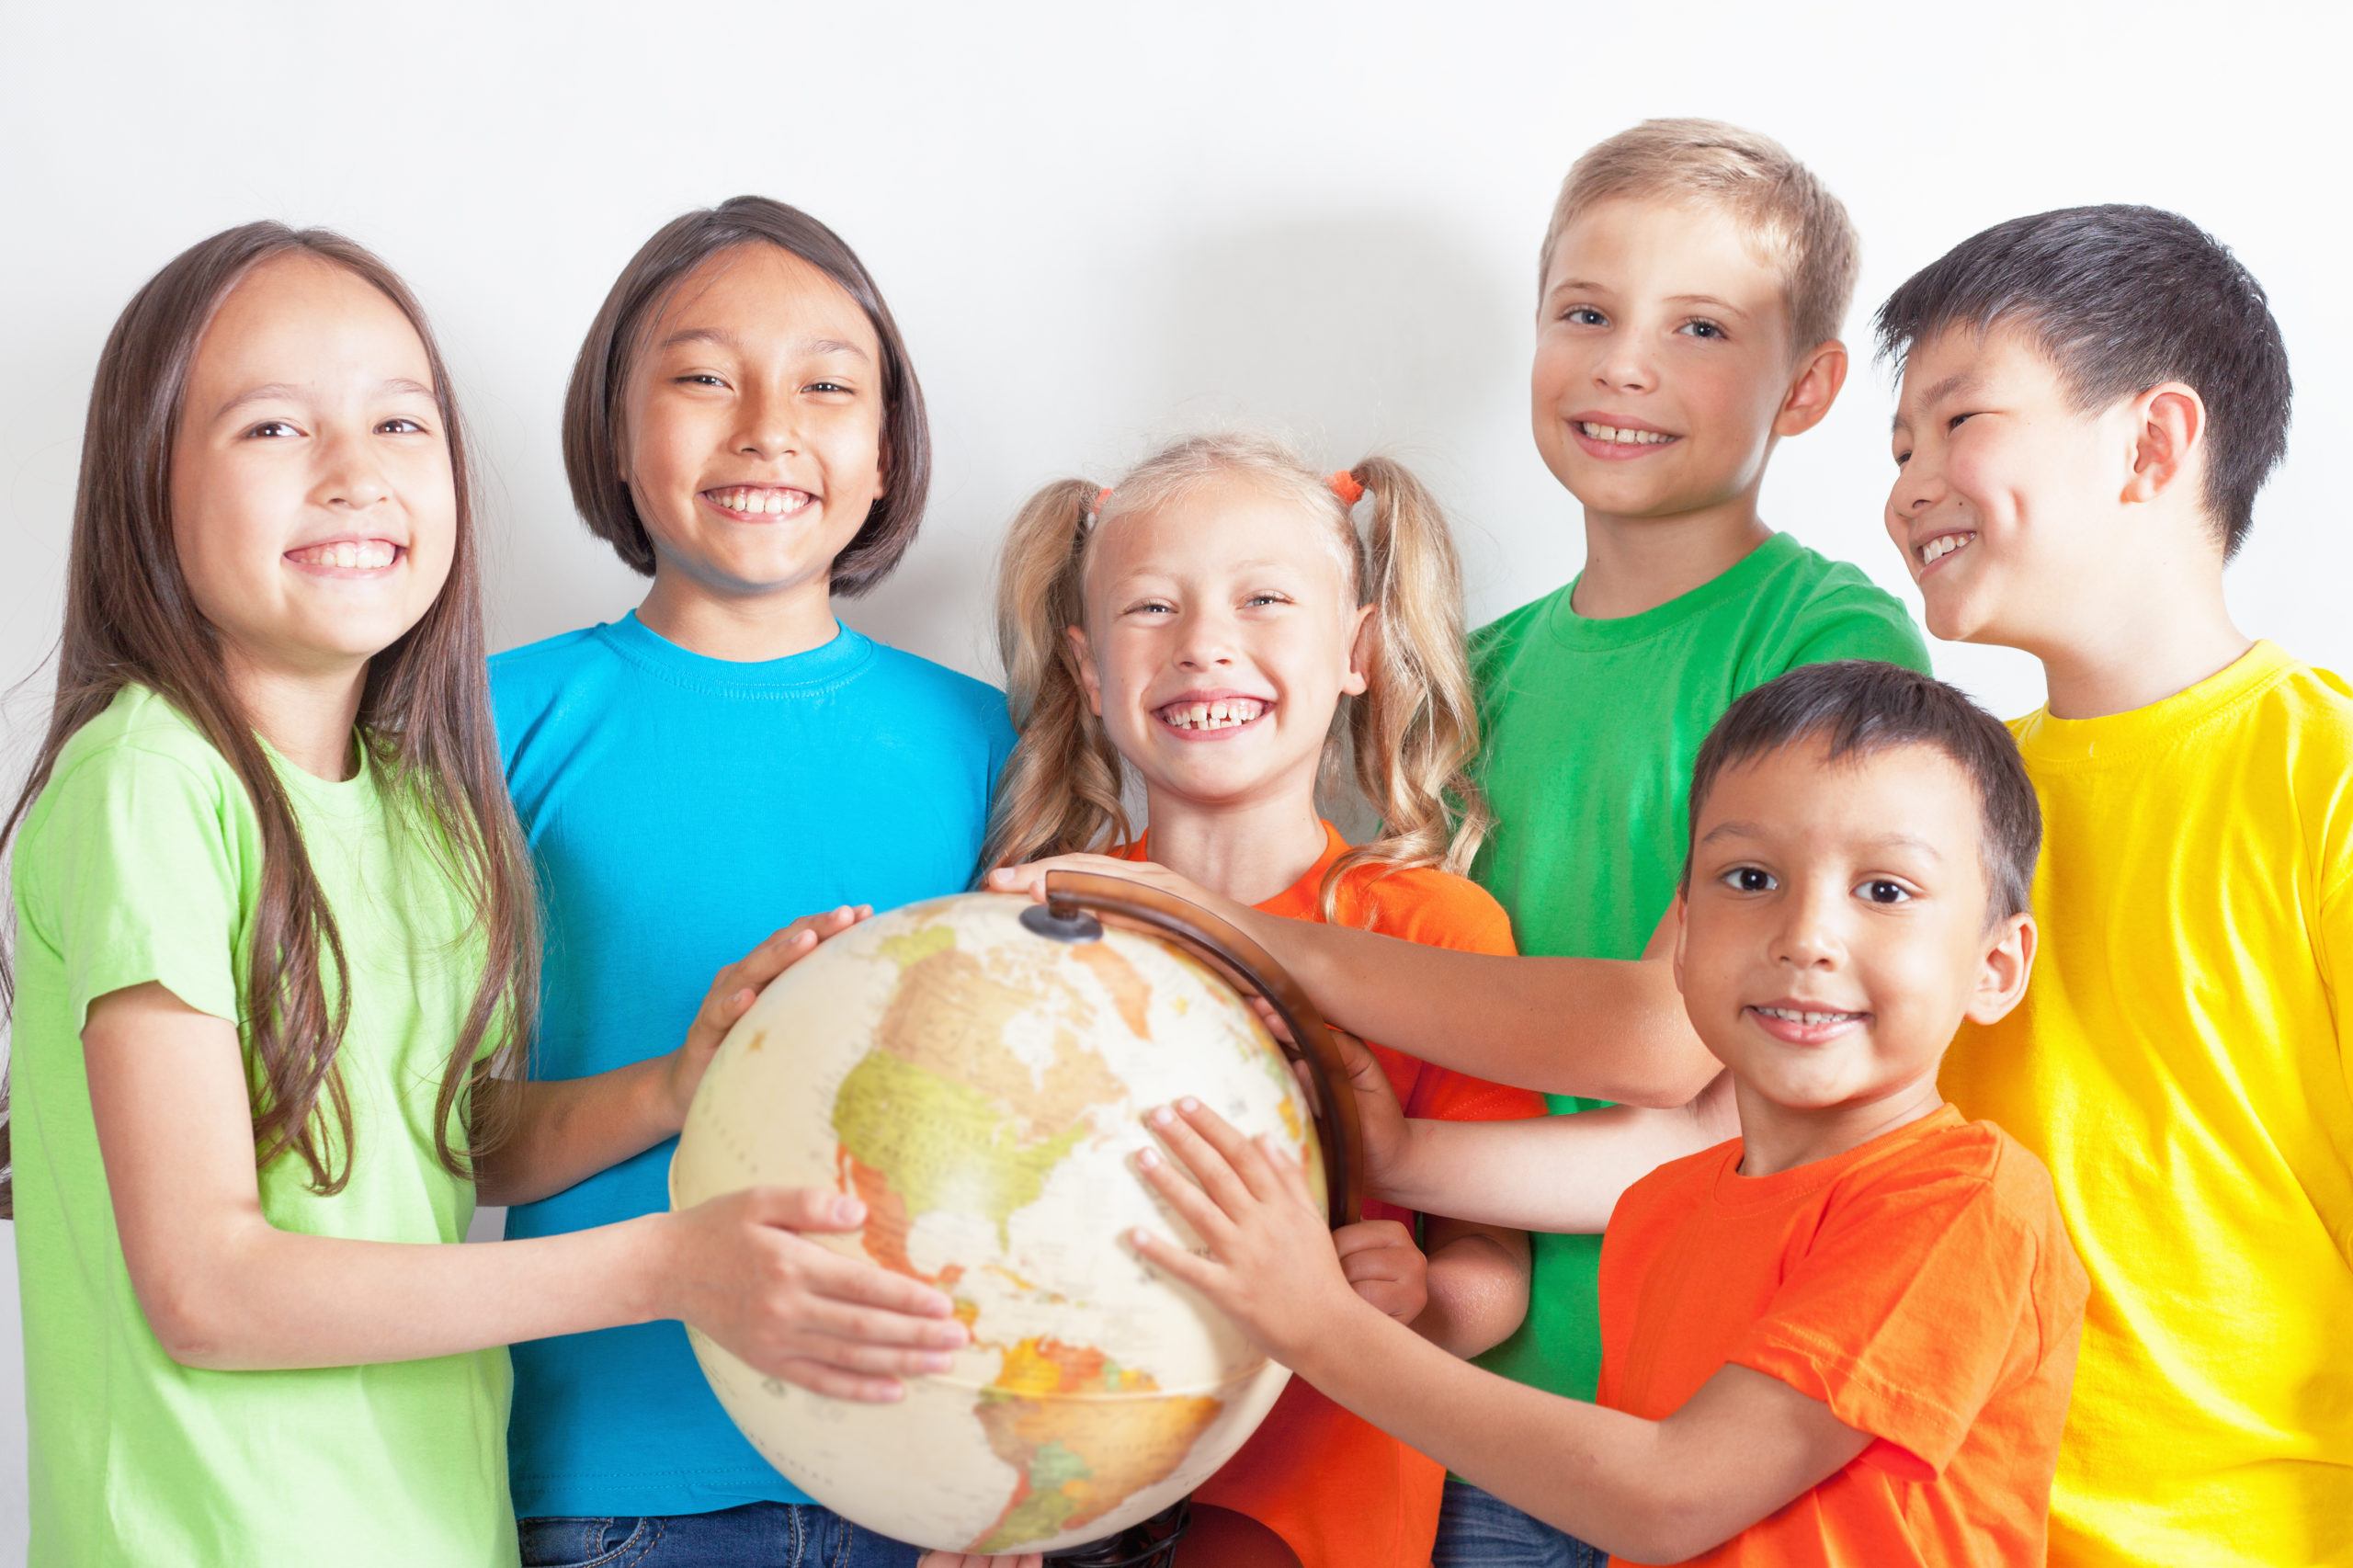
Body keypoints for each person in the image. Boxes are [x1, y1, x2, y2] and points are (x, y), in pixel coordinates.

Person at [2, 223, 971, 1568]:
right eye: (274, 429)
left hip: (431, 1527)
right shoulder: (148, 780)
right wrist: (665, 1264)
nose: (354, 475)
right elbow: (207, 1289)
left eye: (401, 423)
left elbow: (447, 1138)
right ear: (143, 482)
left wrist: (678, 1083)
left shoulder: (404, 800)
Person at [1122, 660, 2089, 1565]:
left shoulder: (1965, 1201)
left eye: (1884, 889)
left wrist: (1315, 1320)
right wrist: (1387, 1157)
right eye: (1749, 879)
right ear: (1683, 930)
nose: (1806, 937)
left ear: (1994, 966)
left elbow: (1666, 1495)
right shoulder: (1664, 1207)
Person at [489, 198, 1028, 1568]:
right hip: (611, 1471)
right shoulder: (497, 722)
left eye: (828, 385)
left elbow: (1030, 1123)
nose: (767, 426)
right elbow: (445, 1133)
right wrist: (685, 1076)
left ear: (887, 445)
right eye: (702, 376)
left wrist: (1020, 1466)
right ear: (617, 429)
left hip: (915, 1466)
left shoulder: (987, 740)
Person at [1876, 205, 2352, 1566]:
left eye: (1960, 421)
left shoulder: (2323, 779)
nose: (1909, 485)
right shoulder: (1938, 802)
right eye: (1898, 444)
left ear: (2152, 444)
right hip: (1948, 1527)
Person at [983, 433, 1543, 1568]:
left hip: (1318, 1503)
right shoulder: (1037, 920)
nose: (1205, 646)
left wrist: (1424, 1296)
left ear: (1357, 651)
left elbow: (1498, 1268)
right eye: (1152, 608)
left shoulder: (1434, 929)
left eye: (1262, 599)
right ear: (1090, 673)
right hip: (1077, 1488)